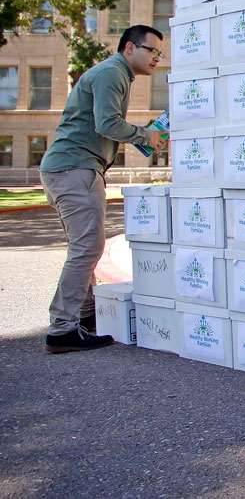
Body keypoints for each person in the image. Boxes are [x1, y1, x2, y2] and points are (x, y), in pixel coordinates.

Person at [40, 24, 168, 353]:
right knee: (86, 249)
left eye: (159, 53)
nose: (156, 57)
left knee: (83, 248)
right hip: (75, 168)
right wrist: (145, 135)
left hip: (67, 167)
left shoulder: (115, 74)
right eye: (151, 50)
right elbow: (106, 123)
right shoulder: (112, 72)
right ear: (129, 47)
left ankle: (83, 316)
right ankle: (62, 329)